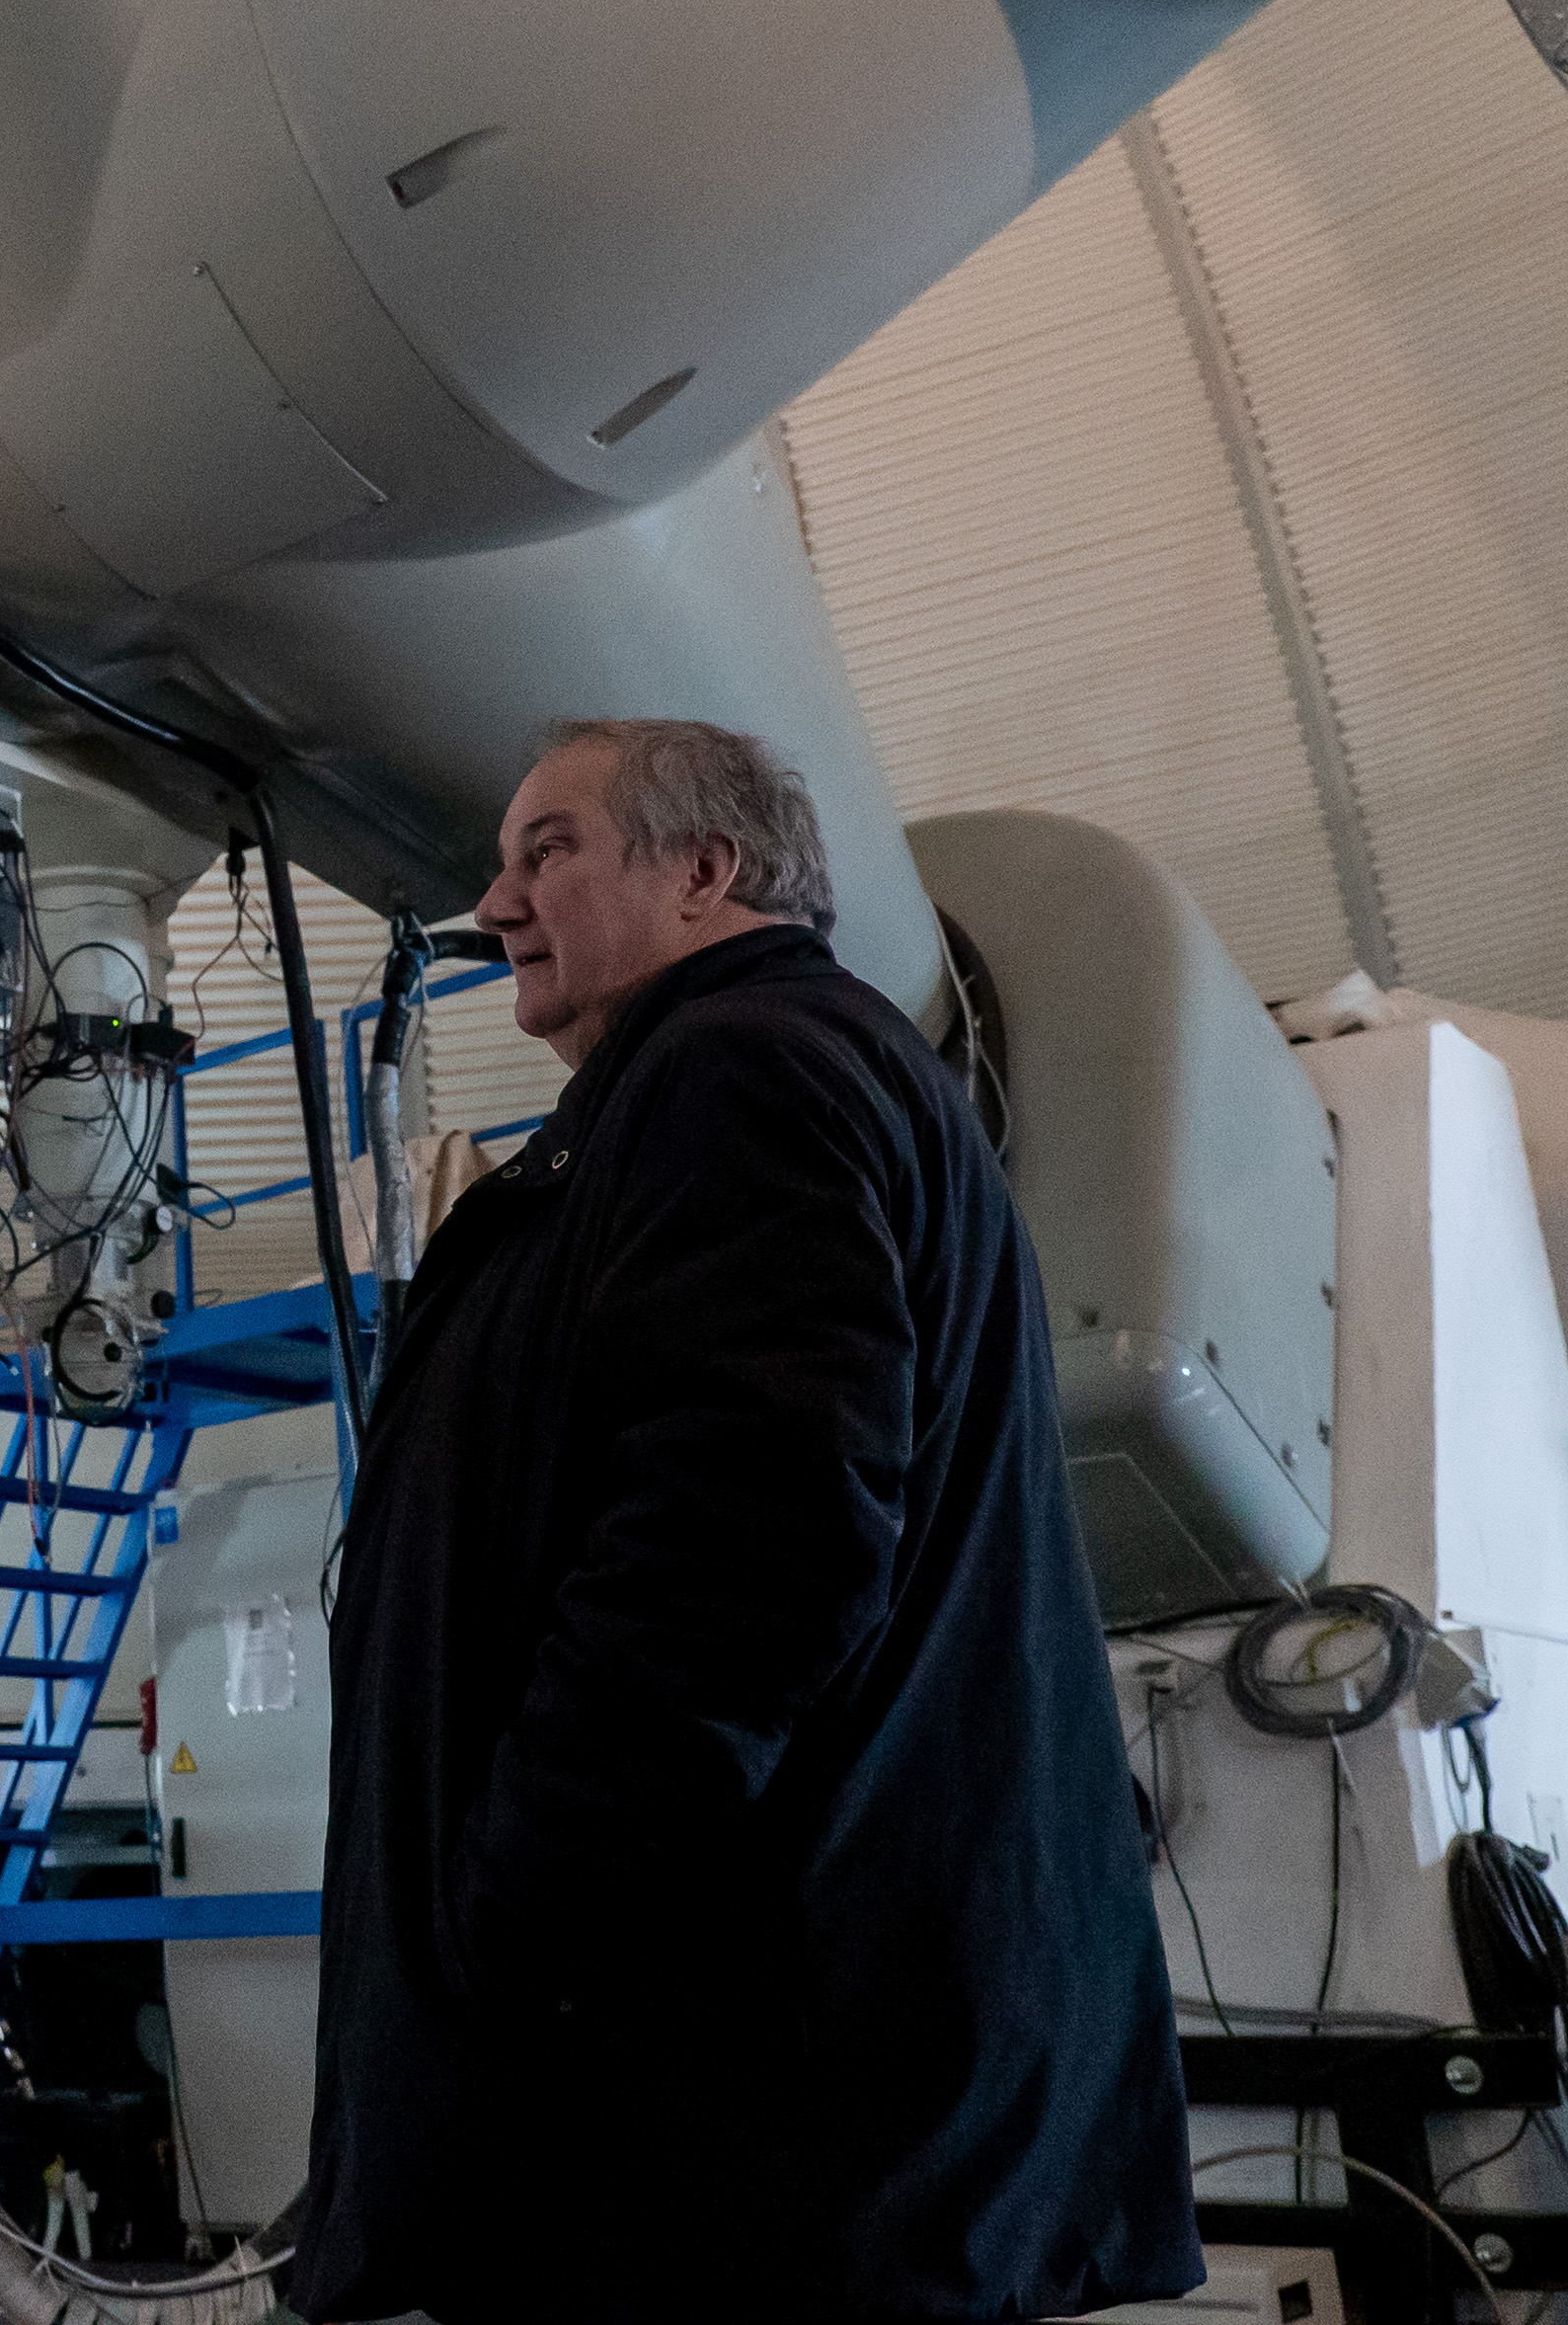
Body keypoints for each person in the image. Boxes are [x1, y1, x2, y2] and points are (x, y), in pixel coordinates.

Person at [301, 719, 1200, 2322]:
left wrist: (510, 1921)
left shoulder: (744, 1070)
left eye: (547, 849)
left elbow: (746, 1546)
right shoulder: (769, 1078)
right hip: (781, 2101)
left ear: (705, 873)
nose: (496, 903)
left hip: (746, 2117)